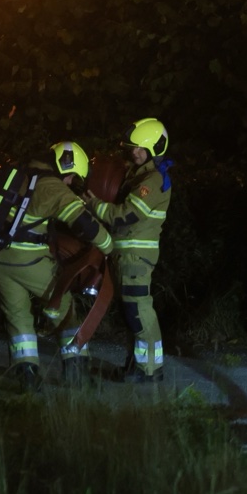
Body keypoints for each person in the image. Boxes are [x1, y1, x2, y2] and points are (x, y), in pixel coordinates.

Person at [0, 140, 114, 390]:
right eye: (72, 176)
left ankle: (26, 376)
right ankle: (78, 374)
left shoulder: (21, 173)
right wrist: (108, 246)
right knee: (66, 309)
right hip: (26, 259)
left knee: (17, 316)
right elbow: (84, 223)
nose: (71, 182)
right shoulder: (52, 187)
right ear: (65, 166)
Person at [88, 118, 173, 382]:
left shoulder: (154, 179)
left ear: (154, 148)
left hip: (136, 257)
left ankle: (148, 370)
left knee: (138, 312)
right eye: (133, 147)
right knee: (132, 314)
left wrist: (95, 206)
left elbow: (127, 215)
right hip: (126, 255)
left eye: (140, 148)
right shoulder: (140, 175)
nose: (134, 152)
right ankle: (141, 365)